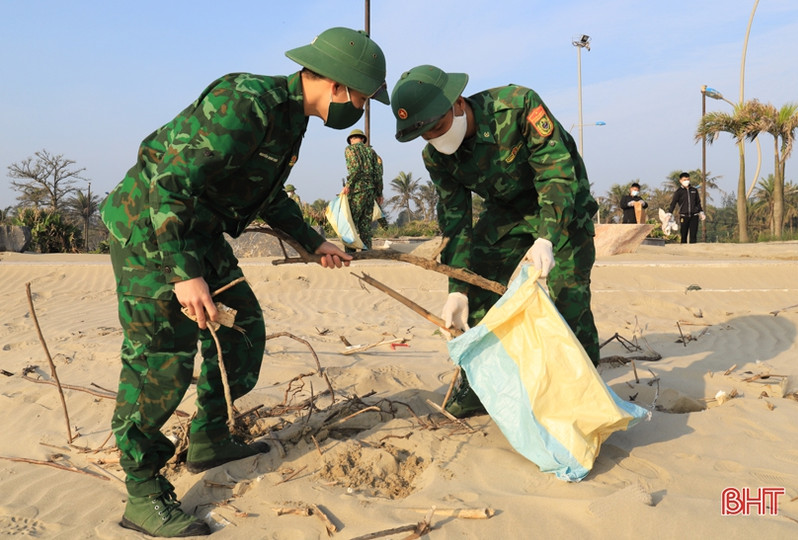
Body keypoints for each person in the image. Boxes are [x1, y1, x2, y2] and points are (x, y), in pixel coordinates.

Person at [99, 27, 388, 538]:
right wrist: (184, 274)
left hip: (200, 231)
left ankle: (209, 436)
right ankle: (143, 492)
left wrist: (312, 240)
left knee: (243, 327)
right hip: (152, 229)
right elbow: (171, 183)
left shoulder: (289, 121)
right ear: (340, 86)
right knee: (160, 357)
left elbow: (268, 196)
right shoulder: (247, 103)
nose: (362, 110)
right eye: (364, 99)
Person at [390, 65, 599, 417]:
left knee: (568, 295)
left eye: (438, 126)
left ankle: (583, 388)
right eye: (425, 135)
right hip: (507, 212)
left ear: (457, 102)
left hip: (563, 206)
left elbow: (556, 174)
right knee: (478, 290)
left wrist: (547, 237)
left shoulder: (517, 106)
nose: (437, 139)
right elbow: (455, 222)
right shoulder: (436, 158)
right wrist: (457, 287)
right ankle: (478, 387)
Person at [341, 128, 384, 250]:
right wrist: (379, 193)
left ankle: (351, 252)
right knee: (365, 225)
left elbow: (355, 169)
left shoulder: (350, 149)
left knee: (351, 223)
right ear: (362, 139)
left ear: (351, 139)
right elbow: (378, 174)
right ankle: (367, 252)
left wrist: (348, 185)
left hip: (357, 190)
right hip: (370, 191)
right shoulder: (372, 152)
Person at [666, 172, 705, 243]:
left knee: (693, 235)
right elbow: (673, 203)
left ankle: (693, 251)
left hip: (694, 216)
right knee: (683, 235)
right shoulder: (678, 192)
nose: (687, 181)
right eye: (684, 180)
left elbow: (698, 203)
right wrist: (669, 213)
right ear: (680, 181)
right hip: (684, 216)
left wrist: (701, 212)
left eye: (688, 179)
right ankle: (683, 250)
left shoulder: (694, 190)